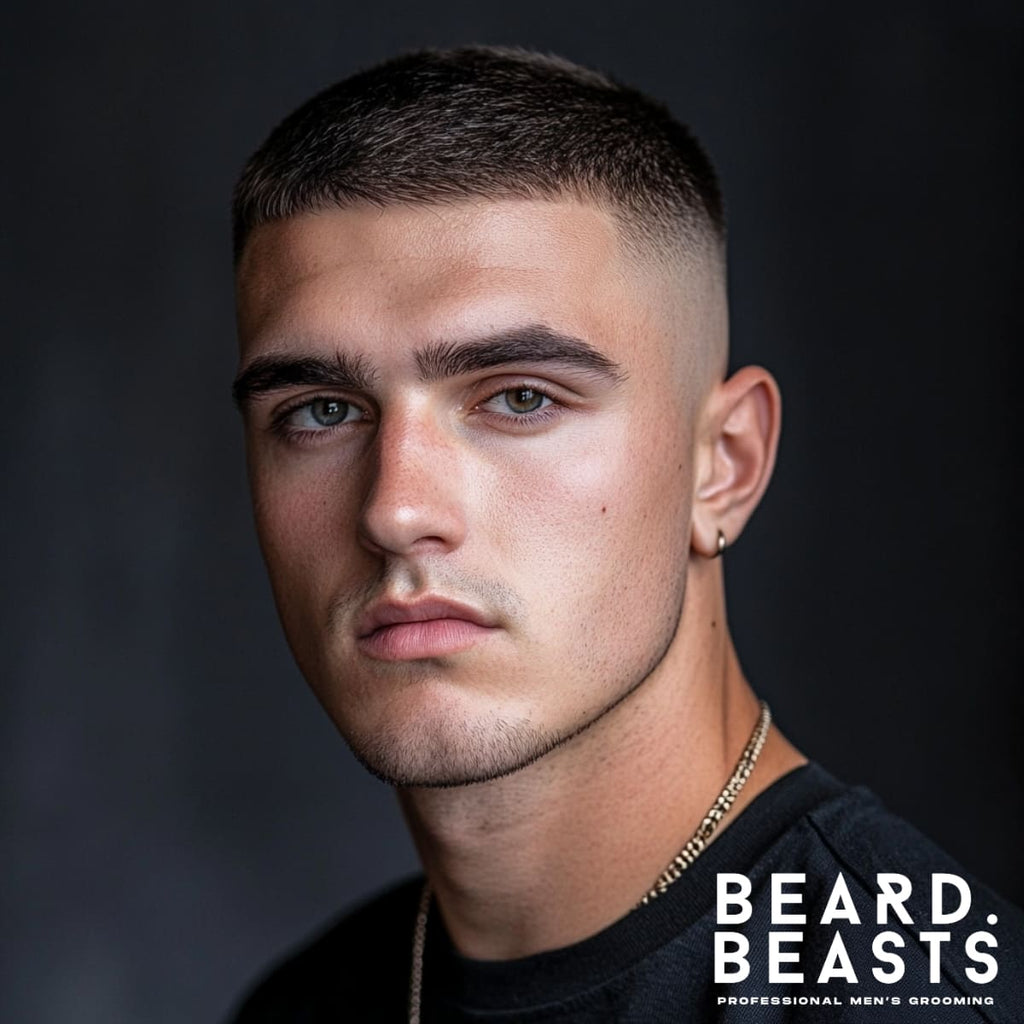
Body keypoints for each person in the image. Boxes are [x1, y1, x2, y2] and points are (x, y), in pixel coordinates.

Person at [227, 46, 1023, 1023]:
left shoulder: (907, 998)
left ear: (722, 463)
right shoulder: (311, 1001)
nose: (394, 509)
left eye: (519, 397)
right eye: (320, 411)